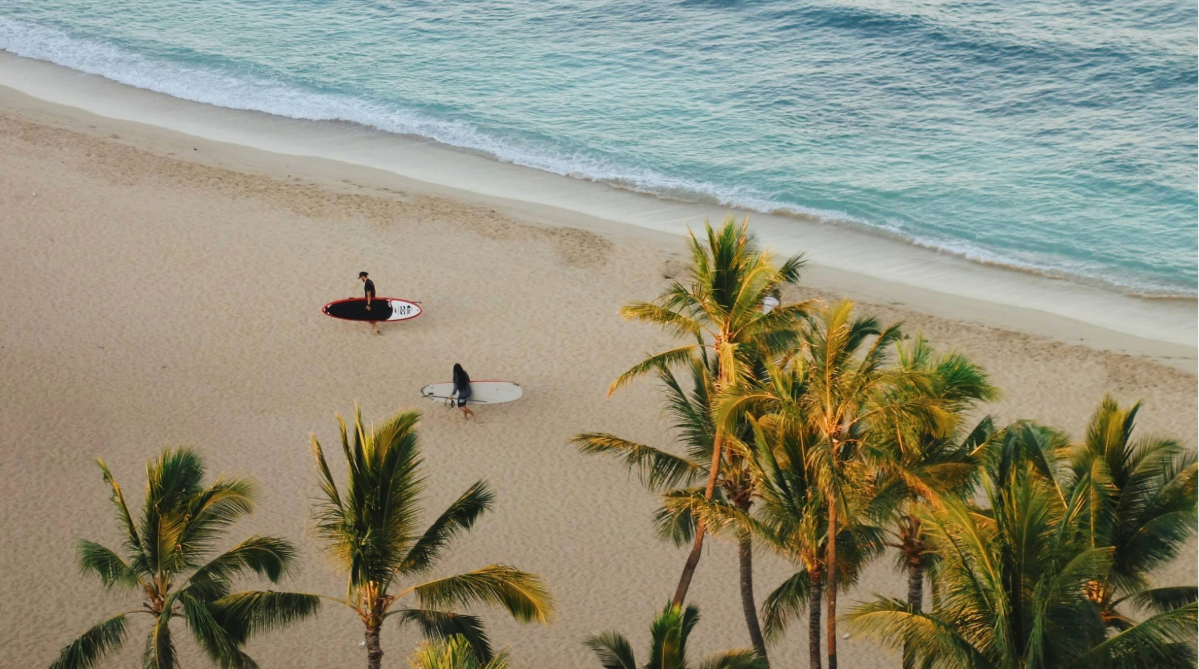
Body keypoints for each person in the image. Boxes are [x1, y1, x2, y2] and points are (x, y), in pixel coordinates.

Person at [359, 271, 379, 335]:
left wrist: (369, 304)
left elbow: (369, 295)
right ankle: (375, 328)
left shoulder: (367, 284)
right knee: (370, 316)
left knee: (370, 317)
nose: (361, 279)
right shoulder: (371, 281)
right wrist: (374, 298)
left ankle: (375, 329)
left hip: (370, 302)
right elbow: (375, 290)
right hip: (372, 300)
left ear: (363, 276)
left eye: (361, 278)